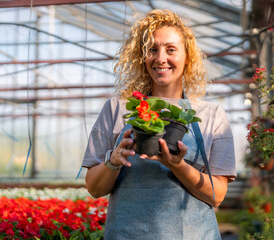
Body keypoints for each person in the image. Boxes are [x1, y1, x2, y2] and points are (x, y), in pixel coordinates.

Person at [82, 9, 236, 240]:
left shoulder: (211, 115)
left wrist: (177, 165)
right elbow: (95, 188)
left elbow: (217, 195)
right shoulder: (118, 108)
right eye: (152, 50)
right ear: (142, 56)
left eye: (171, 49)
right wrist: (114, 161)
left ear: (188, 57)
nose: (160, 58)